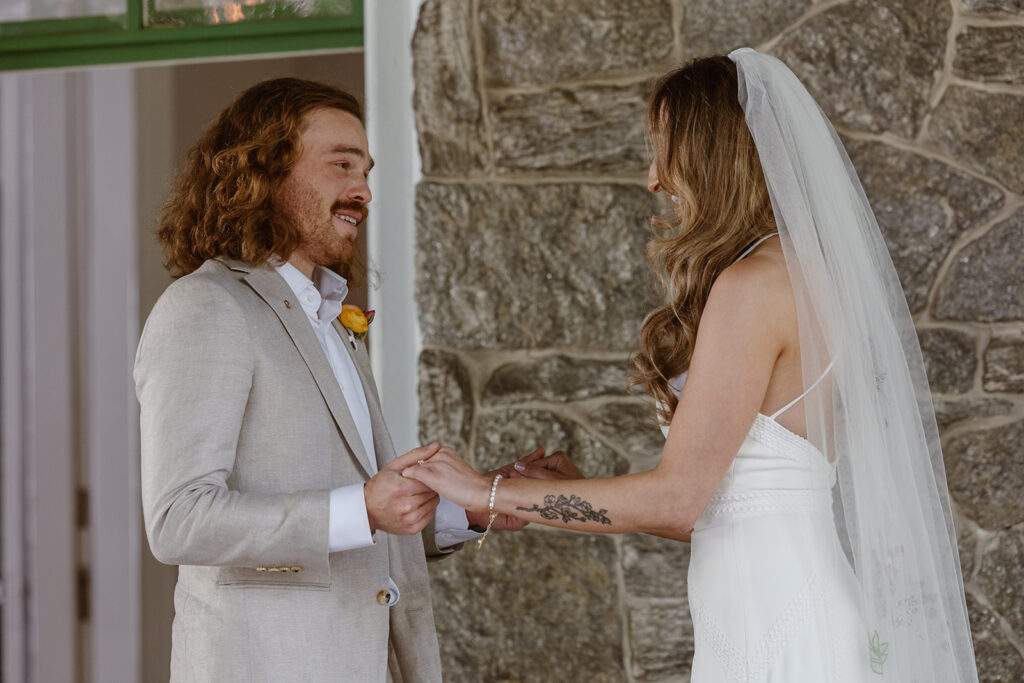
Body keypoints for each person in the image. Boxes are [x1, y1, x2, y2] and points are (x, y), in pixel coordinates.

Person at [405, 50, 979, 681]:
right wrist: (563, 492)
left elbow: (678, 500)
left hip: (777, 628)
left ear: (711, 154)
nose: (653, 178)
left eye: (663, 150)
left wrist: (483, 491)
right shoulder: (805, 275)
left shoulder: (753, 285)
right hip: (778, 606)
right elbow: (734, 510)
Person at [135, 78, 563, 682]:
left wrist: (476, 506)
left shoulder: (331, 318)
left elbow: (367, 514)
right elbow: (179, 520)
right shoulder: (205, 307)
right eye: (340, 165)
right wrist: (362, 506)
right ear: (263, 171)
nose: (362, 190)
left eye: (364, 170)